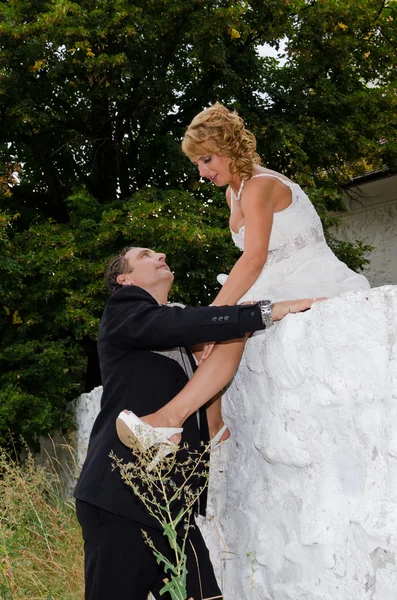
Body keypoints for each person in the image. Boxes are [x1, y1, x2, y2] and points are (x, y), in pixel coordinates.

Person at [74, 246, 316, 600]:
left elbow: (210, 341)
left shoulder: (173, 329)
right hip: (121, 497)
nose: (160, 254)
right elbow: (189, 322)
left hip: (171, 505)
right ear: (124, 279)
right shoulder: (123, 309)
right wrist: (267, 311)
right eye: (145, 255)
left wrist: (213, 421)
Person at [181, 102, 370, 308]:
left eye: (206, 159)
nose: (201, 172)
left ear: (228, 147)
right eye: (196, 164)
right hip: (269, 285)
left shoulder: (258, 186)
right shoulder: (232, 193)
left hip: (312, 283)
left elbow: (254, 258)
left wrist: (212, 316)